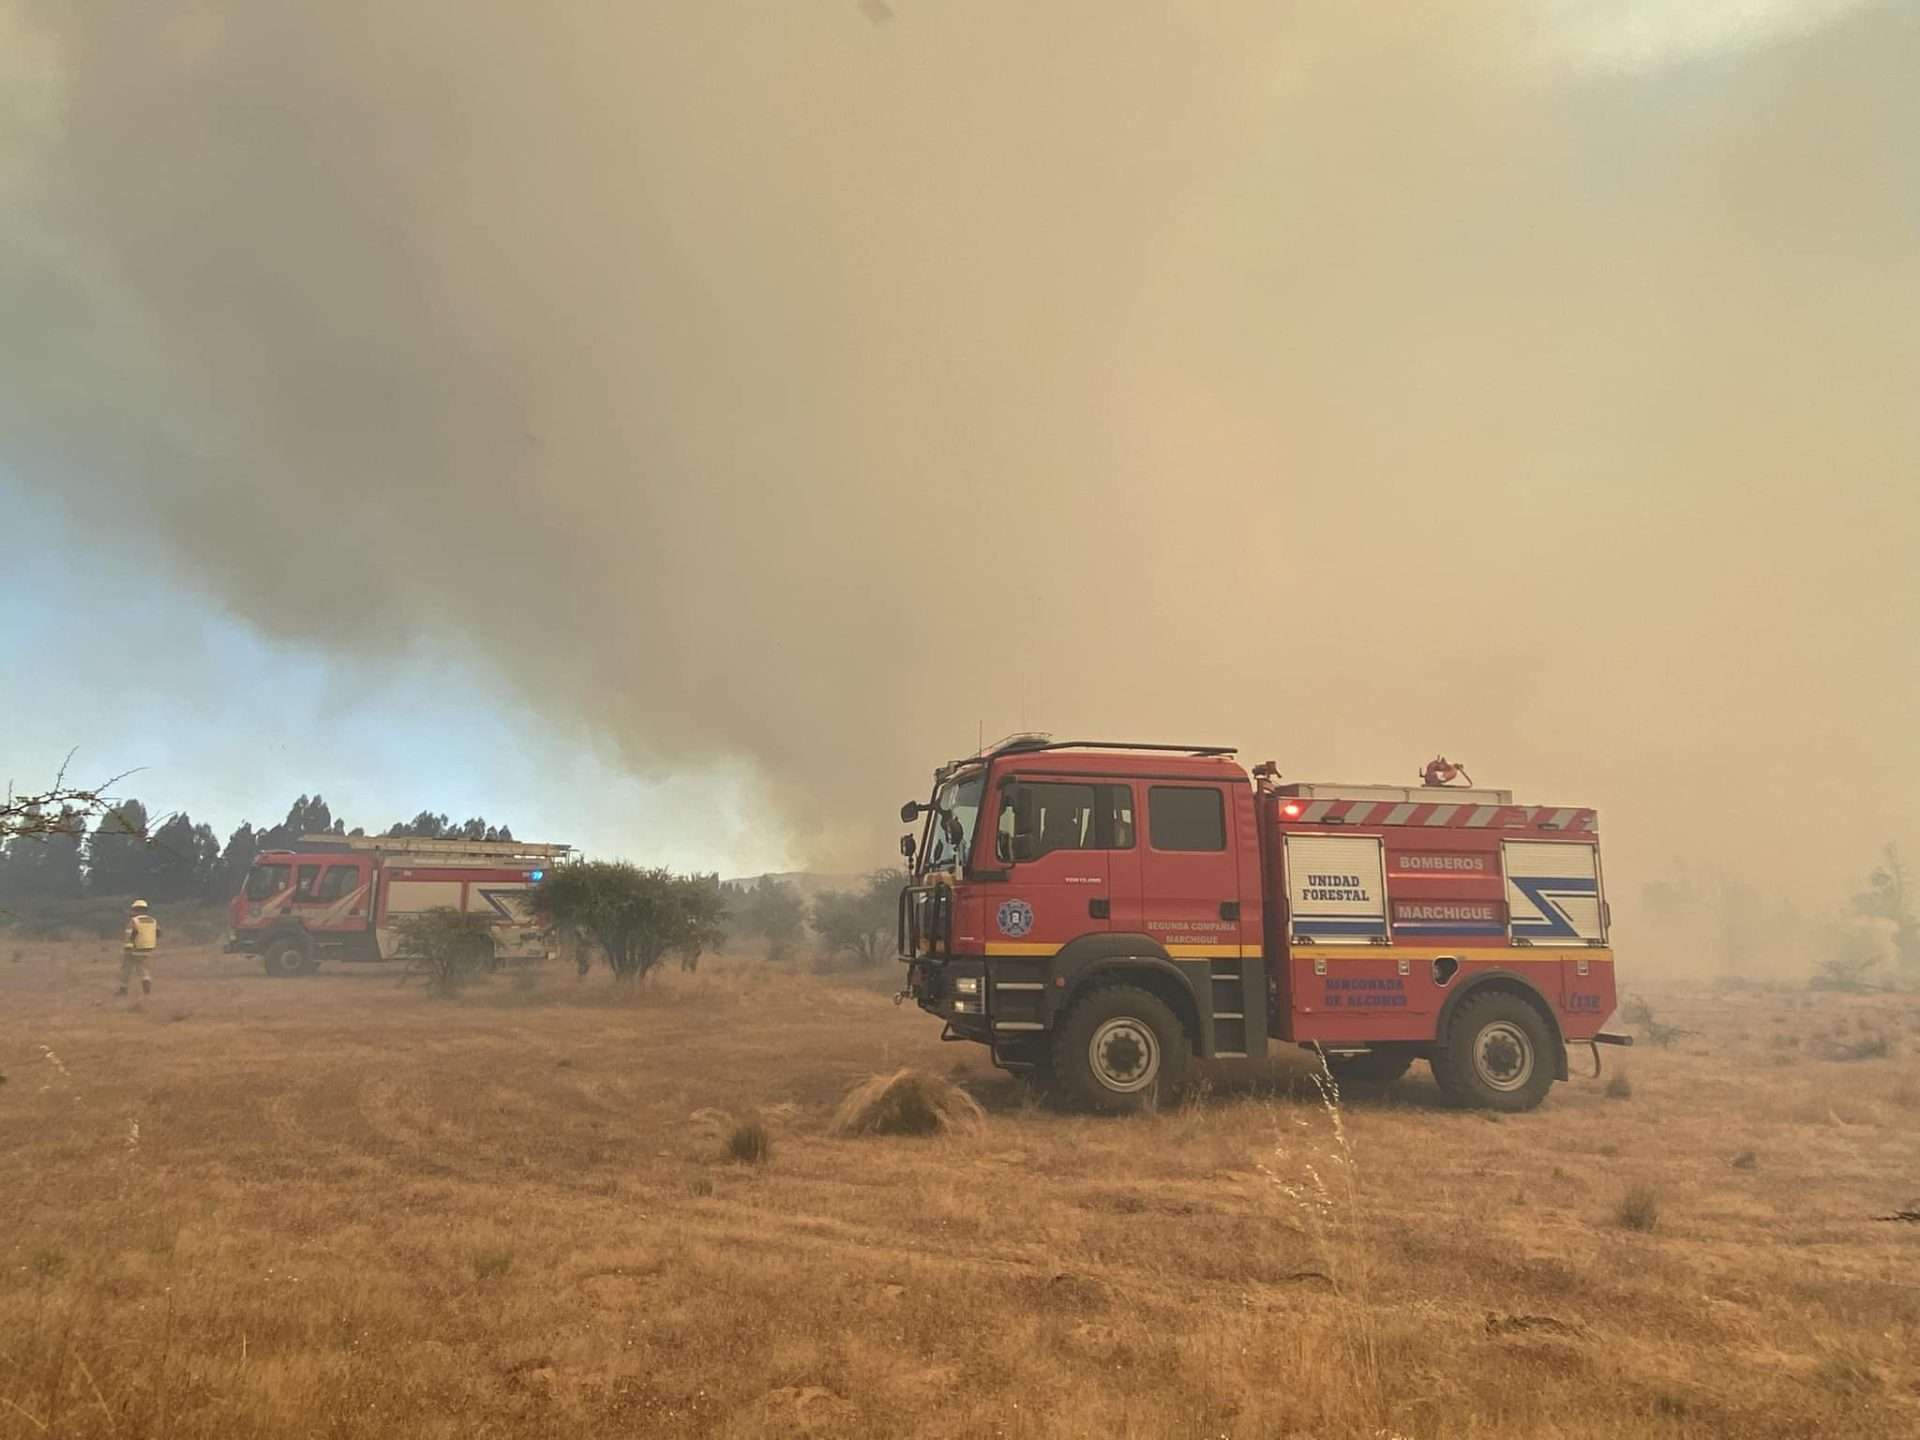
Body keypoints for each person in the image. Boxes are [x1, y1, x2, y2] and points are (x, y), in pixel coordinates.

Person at [119, 899, 158, 997]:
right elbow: (158, 933)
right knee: (143, 968)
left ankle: (123, 989)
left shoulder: (134, 921)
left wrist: (128, 948)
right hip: (148, 949)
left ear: (135, 910)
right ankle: (146, 981)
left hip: (134, 948)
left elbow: (130, 935)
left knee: (126, 968)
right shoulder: (153, 921)